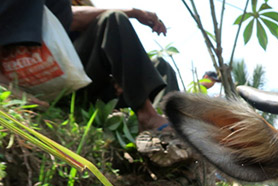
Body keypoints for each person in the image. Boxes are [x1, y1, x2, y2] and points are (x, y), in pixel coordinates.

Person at [0, 0, 177, 132]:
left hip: (75, 78)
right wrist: (12, 91)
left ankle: (171, 125)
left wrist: (134, 12)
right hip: (41, 87)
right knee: (113, 19)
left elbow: (72, 17)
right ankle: (147, 116)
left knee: (161, 67)